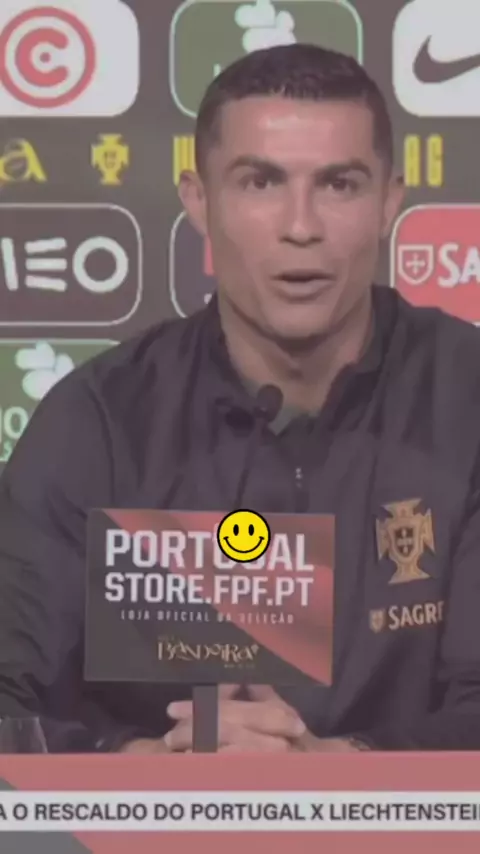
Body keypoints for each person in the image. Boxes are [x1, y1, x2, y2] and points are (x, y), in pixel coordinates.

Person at [1, 42, 480, 755]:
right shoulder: (97, 422)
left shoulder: (466, 397)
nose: (301, 226)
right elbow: (10, 703)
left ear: (389, 202)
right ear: (198, 200)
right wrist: (142, 766)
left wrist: (339, 769)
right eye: (260, 182)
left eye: (339, 184)